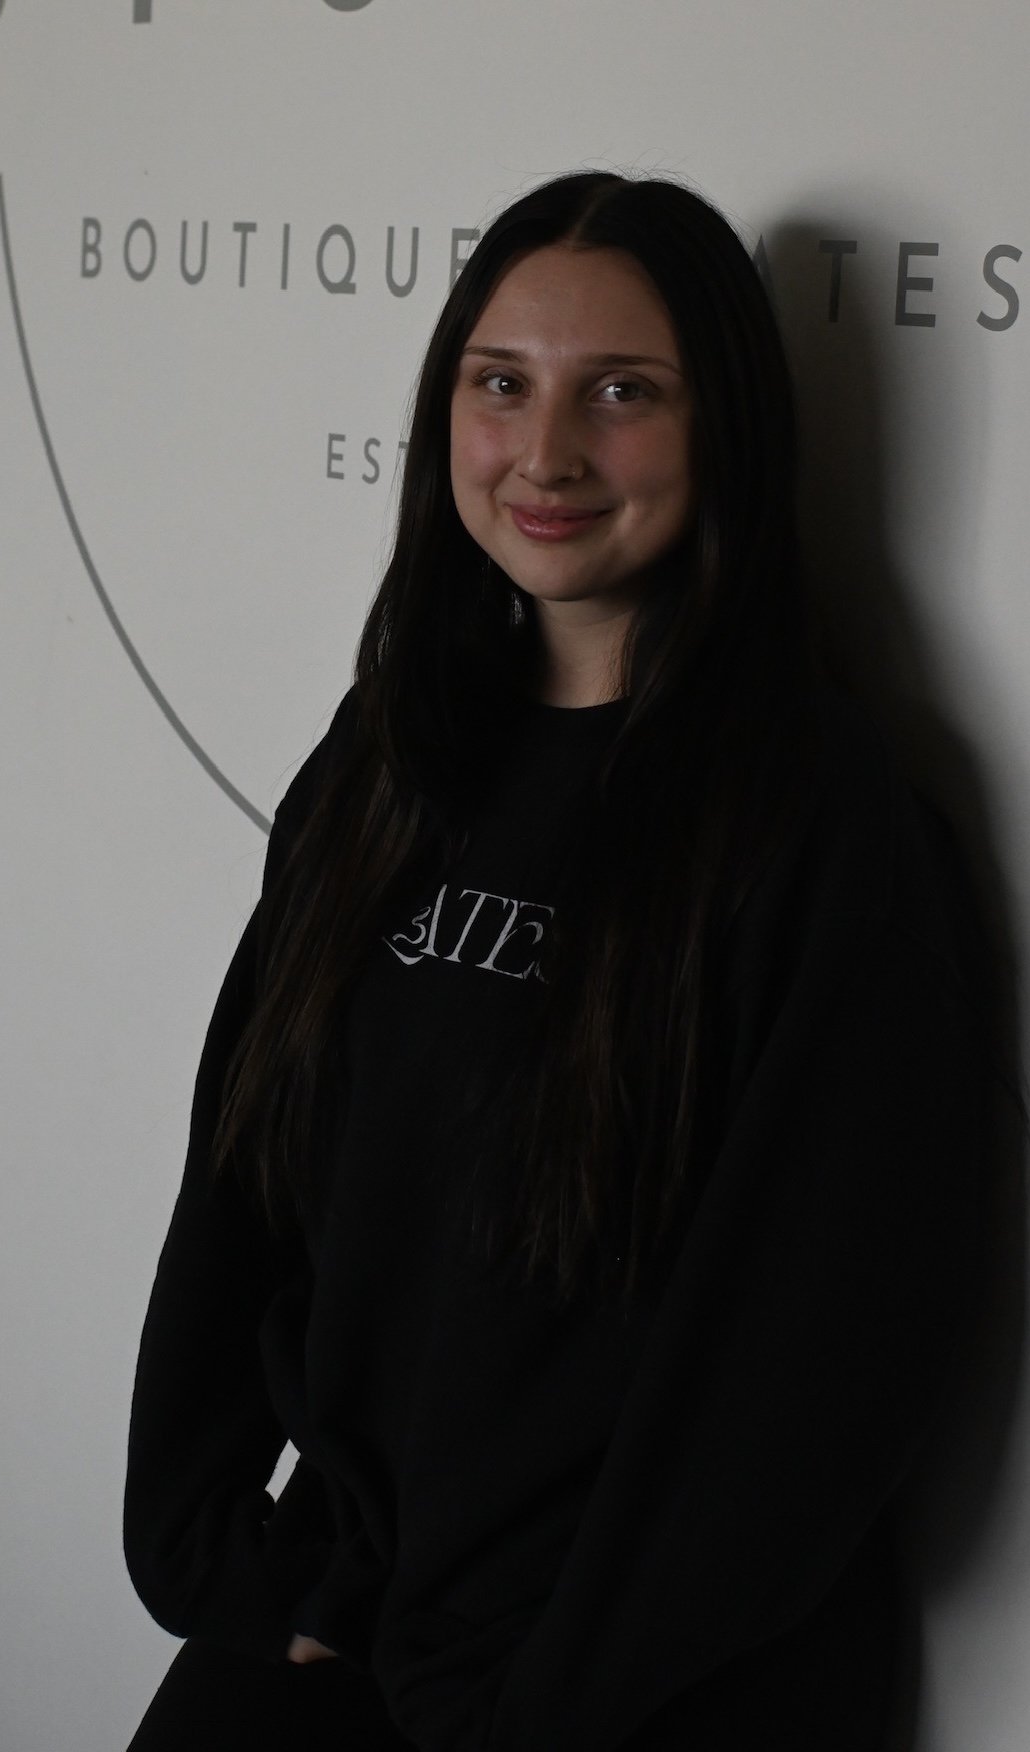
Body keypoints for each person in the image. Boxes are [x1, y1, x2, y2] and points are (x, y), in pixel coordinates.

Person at [120, 170, 996, 1751]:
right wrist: (212, 1552)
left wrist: (527, 1698)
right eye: (499, 385)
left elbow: (818, 1367)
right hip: (348, 1621)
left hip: (631, 1689)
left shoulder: (820, 827)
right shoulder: (387, 765)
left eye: (622, 393)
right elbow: (243, 1173)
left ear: (722, 423)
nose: (545, 453)